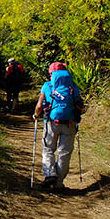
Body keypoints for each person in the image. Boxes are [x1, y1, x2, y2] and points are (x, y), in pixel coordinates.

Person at [33, 62, 82, 190]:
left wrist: (36, 115)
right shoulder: (72, 86)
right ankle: (59, 183)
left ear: (51, 73)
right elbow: (79, 105)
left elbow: (39, 106)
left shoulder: (47, 86)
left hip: (51, 123)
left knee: (48, 148)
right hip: (69, 123)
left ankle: (49, 175)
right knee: (64, 153)